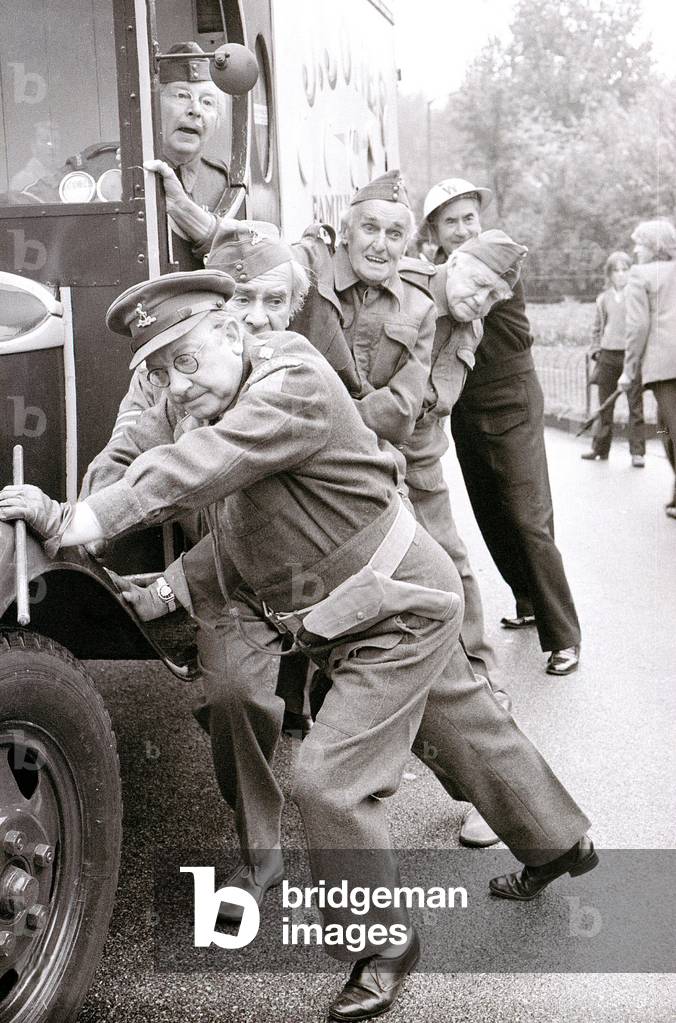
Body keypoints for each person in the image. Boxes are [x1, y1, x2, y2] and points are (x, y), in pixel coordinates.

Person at [0, 269, 596, 1022]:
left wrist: (72, 521)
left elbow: (195, 467)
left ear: (232, 331)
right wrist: (124, 560)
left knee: (328, 781)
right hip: (348, 610)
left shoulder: (292, 385)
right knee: (465, 729)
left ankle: (382, 946)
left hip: (400, 608)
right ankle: (561, 843)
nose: (177, 386)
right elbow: (208, 507)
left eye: (186, 360)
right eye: (160, 372)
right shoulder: (211, 392)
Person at [423, 177, 582, 676]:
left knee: (528, 515)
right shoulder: (436, 272)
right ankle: (527, 600)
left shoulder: (496, 256)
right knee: (490, 512)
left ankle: (565, 636)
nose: (462, 229)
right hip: (466, 405)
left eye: (469, 218)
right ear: (434, 231)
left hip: (512, 396)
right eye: (450, 222)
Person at [618, 219, 676, 519]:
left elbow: (637, 327)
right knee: (665, 426)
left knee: (670, 429)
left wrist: (628, 370)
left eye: (639, 243)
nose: (635, 250)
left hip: (665, 366)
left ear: (654, 246)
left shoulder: (640, 275)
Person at [581, 251, 645, 465]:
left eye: (625, 269)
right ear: (609, 274)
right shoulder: (603, 298)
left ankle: (637, 452)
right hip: (607, 356)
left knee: (635, 405)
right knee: (605, 405)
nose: (620, 274)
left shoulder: (637, 296)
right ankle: (600, 448)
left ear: (631, 272)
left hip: (631, 356)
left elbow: (642, 326)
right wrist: (596, 350)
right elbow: (597, 328)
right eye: (616, 270)